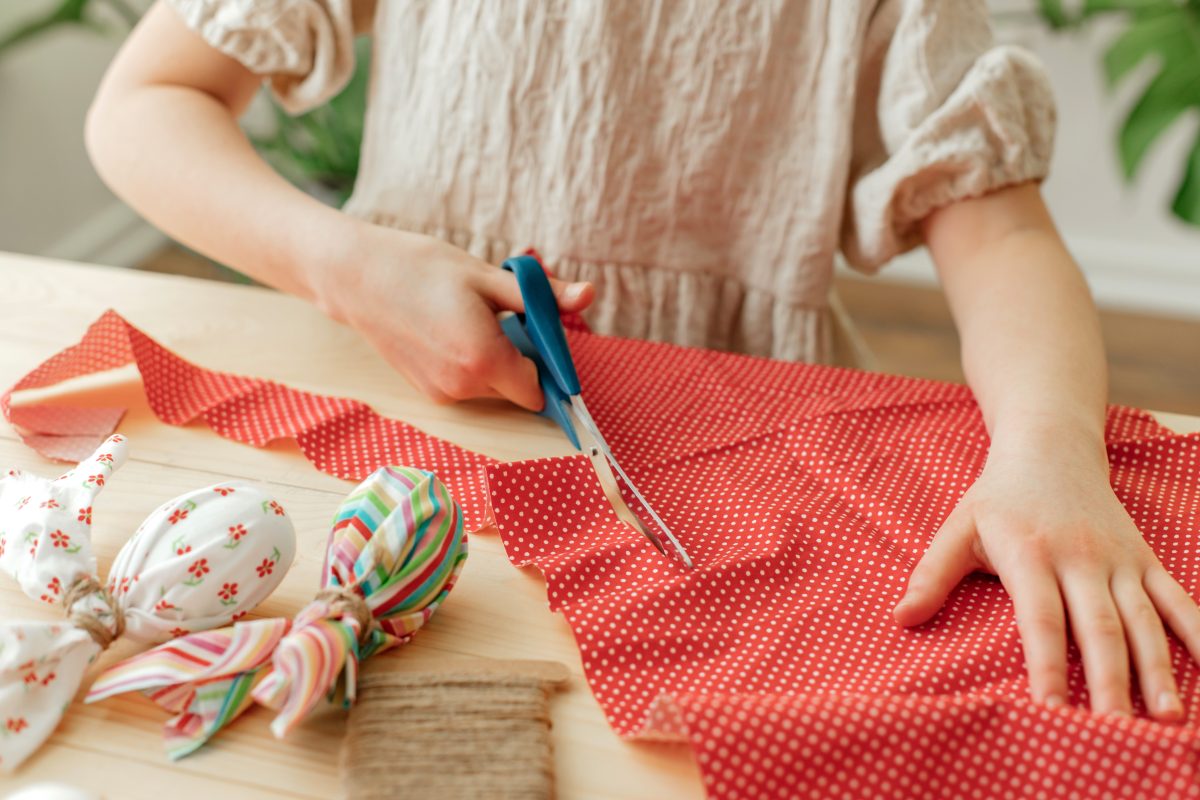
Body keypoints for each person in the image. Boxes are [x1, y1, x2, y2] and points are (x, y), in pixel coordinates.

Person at [86, 0, 1200, 722]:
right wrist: (345, 264)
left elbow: (1001, 235)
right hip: (402, 442)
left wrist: (1052, 450)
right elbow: (143, 108)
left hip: (724, 461)